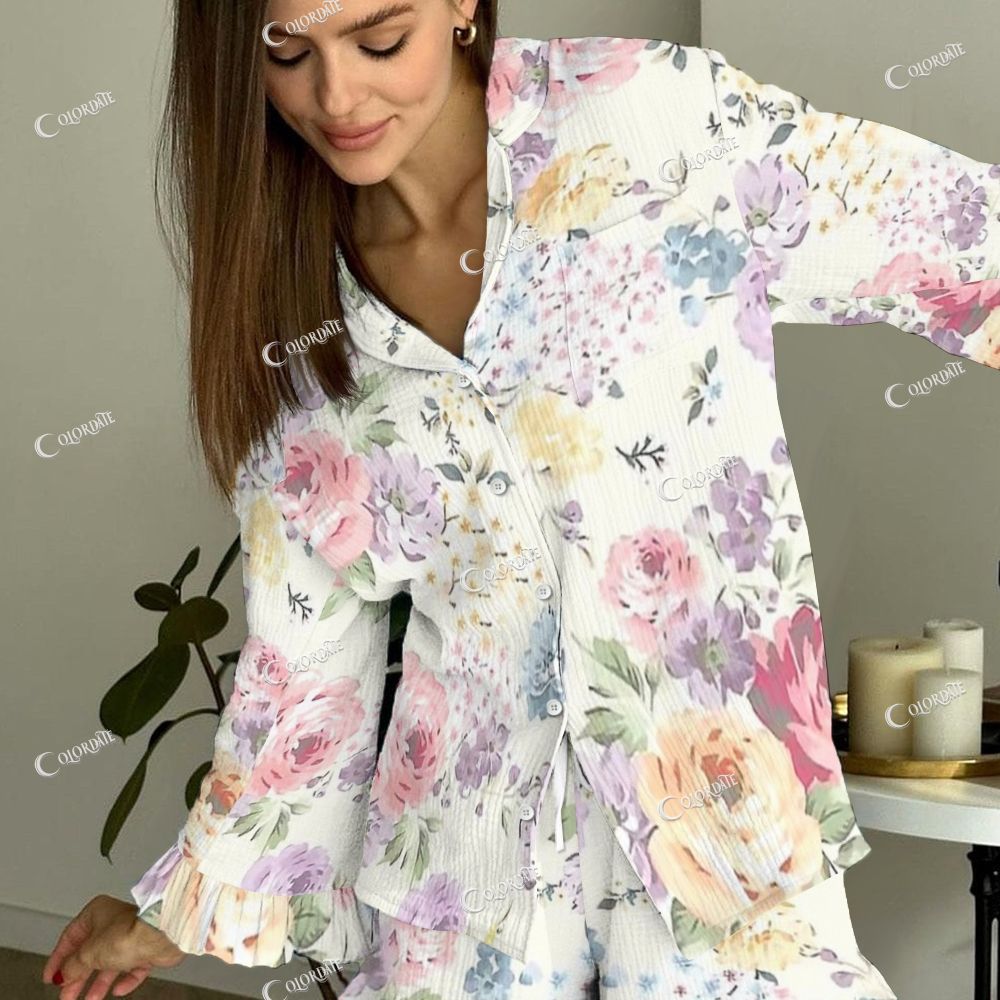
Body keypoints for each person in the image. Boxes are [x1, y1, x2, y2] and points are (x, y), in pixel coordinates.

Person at [44, 0, 1000, 996]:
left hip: (726, 847)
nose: (337, 95)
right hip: (461, 894)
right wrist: (173, 912)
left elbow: (957, 233)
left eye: (379, 40)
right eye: (287, 54)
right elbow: (306, 664)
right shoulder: (286, 305)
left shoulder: (646, 124)